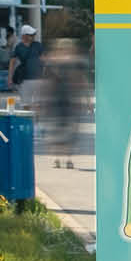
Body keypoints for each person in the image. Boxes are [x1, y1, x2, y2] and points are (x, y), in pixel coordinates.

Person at [38, 36, 90, 170]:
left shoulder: (60, 63)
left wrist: (86, 99)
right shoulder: (56, 63)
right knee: (59, 130)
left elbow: (82, 81)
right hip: (58, 101)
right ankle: (60, 158)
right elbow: (46, 83)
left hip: (67, 101)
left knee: (68, 130)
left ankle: (66, 158)